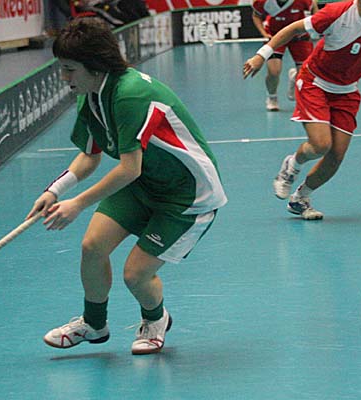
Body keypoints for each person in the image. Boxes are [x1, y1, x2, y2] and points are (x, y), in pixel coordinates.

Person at [27, 18, 227, 355]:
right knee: (92, 246)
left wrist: (78, 204)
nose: (64, 77)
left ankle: (155, 319)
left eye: (69, 69)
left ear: (95, 66)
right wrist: (55, 191)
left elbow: (129, 168)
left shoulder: (130, 94)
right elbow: (88, 156)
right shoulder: (90, 95)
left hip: (187, 195)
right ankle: (94, 324)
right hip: (146, 183)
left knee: (136, 274)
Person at [243, 0, 361, 220]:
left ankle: (300, 198)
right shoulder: (337, 13)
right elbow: (293, 29)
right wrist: (261, 55)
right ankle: (292, 165)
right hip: (315, 83)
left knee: (336, 156)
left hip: (347, 91)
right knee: (321, 145)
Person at [251, 0, 319, 111]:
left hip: (299, 36)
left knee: (305, 73)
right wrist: (264, 33)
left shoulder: (303, 1)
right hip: (275, 36)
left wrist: (314, 31)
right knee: (274, 71)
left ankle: (294, 77)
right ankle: (272, 97)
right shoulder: (263, 1)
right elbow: (256, 15)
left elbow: (314, 8)